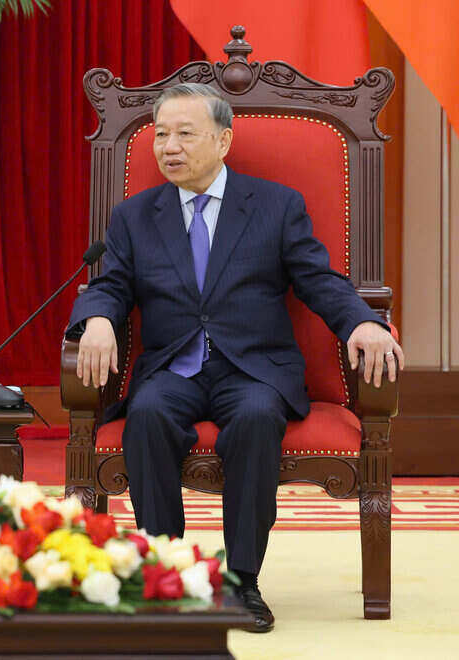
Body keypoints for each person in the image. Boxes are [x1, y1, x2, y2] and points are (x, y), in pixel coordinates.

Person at [67, 83, 403, 632]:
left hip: (254, 368)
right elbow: (112, 284)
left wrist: (364, 322)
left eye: (185, 134)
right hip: (173, 367)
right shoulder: (135, 215)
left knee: (253, 419)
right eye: (161, 135)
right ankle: (169, 575)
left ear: (223, 140)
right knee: (146, 416)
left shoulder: (275, 205)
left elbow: (318, 280)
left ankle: (243, 582)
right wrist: (98, 317)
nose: (168, 147)